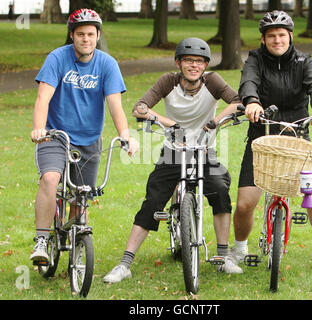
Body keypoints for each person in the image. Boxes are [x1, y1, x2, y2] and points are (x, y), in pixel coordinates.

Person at [103, 37, 242, 283]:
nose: (194, 65)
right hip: (173, 150)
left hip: (204, 150)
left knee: (220, 190)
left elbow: (238, 102)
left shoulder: (213, 81)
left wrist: (215, 121)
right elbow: (140, 108)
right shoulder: (168, 81)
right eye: (188, 60)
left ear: (205, 65)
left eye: (199, 61)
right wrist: (170, 124)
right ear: (179, 62)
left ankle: (223, 257)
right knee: (153, 201)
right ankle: (125, 264)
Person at [228, 10, 312, 273]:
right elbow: (248, 82)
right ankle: (238, 249)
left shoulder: (305, 60)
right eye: (271, 36)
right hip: (262, 134)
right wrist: (252, 102)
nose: (277, 40)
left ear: (290, 36)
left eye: (282, 35)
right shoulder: (255, 59)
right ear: (263, 39)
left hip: (296, 134)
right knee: (246, 202)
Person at [30, 8, 138, 263]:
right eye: (80, 34)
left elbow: (115, 105)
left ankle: (75, 241)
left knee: (81, 196)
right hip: (55, 136)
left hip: (90, 141)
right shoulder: (57, 58)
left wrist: (125, 135)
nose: (86, 39)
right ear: (72, 36)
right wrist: (39, 128)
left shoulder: (107, 64)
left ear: (97, 35)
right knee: (50, 178)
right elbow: (43, 97)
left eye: (91, 34)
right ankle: (42, 239)